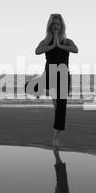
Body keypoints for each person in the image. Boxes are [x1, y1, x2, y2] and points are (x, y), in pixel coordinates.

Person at [32, 13, 78, 148]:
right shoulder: (46, 41)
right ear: (50, 26)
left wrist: (59, 44)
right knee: (32, 87)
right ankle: (47, 91)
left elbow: (75, 50)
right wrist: (53, 45)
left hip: (63, 74)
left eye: (58, 24)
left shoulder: (67, 41)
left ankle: (55, 139)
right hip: (50, 73)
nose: (56, 26)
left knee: (61, 108)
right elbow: (37, 51)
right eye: (54, 24)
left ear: (61, 26)